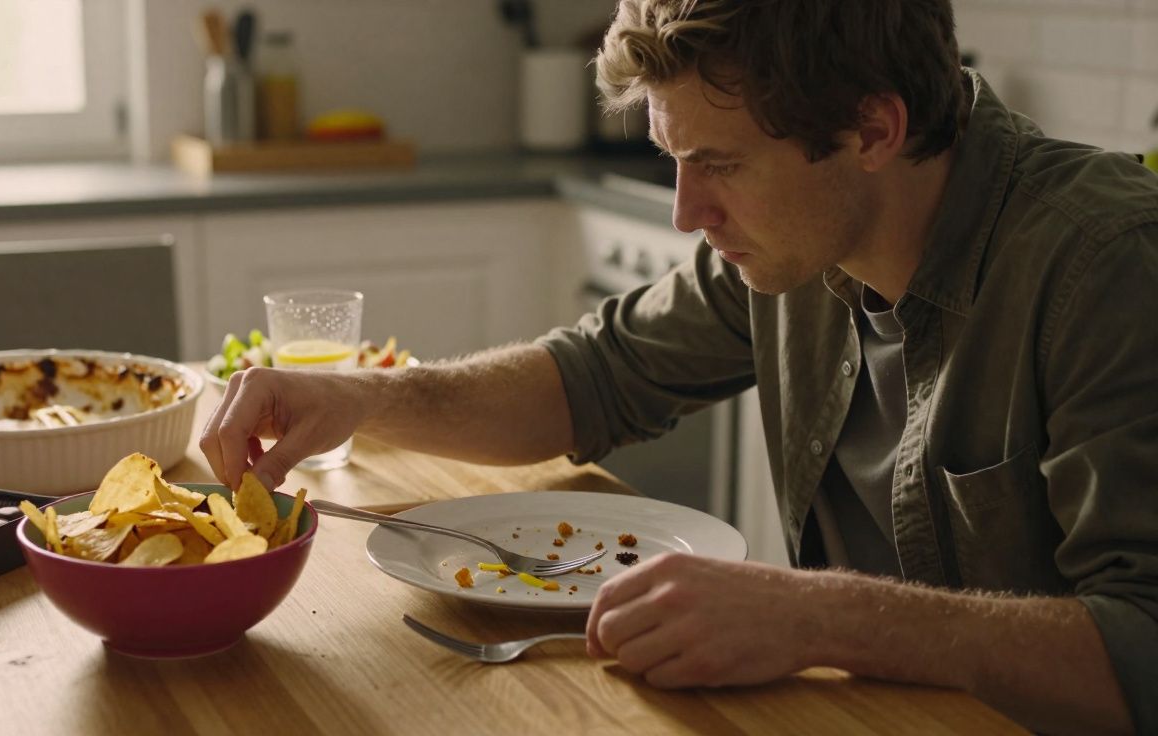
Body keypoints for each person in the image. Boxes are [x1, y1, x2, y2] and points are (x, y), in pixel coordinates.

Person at [200, 1, 1158, 732]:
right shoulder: (794, 242)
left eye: (722, 164)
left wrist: (819, 617)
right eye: (673, 159)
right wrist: (354, 398)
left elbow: (1142, 645)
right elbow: (591, 379)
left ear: (874, 131)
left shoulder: (1106, 262)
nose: (685, 213)